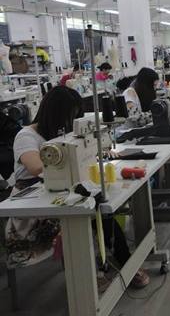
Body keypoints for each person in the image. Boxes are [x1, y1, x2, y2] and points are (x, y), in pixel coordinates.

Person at [6, 87, 150, 288]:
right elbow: (35, 167)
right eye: (69, 115)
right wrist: (72, 157)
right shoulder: (26, 136)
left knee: (102, 208)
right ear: (56, 113)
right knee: (87, 215)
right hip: (32, 205)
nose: (70, 120)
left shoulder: (62, 132)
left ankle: (122, 262)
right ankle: (90, 276)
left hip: (61, 192)